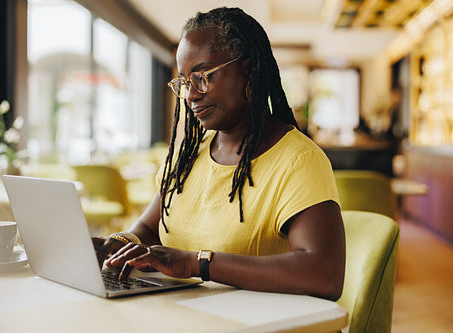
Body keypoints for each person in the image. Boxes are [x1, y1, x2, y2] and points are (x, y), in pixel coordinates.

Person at [94, 7, 345, 301]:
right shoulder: (188, 156)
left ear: (248, 70)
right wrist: (120, 243)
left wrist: (196, 263)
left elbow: (323, 274)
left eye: (202, 76)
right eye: (185, 82)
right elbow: (150, 226)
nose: (191, 95)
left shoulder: (298, 160)